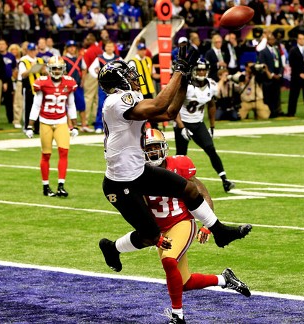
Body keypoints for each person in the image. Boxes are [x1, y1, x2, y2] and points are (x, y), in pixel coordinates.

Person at [97, 51, 251, 273]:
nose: (134, 79)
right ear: (118, 82)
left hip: (138, 172)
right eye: (129, 75)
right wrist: (178, 71)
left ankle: (220, 231)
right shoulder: (115, 101)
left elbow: (168, 113)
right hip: (120, 184)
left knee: (189, 189)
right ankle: (112, 248)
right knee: (151, 236)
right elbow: (159, 105)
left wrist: (184, 80)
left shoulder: (128, 101)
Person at [143, 128, 251, 324]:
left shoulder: (180, 166)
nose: (152, 153)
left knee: (169, 260)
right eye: (148, 148)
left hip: (182, 222)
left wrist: (207, 225)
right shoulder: (138, 172)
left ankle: (178, 316)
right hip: (162, 229)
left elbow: (203, 195)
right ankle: (225, 279)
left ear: (164, 148)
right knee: (184, 282)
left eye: (155, 148)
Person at [174, 59, 236, 193]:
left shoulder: (211, 85)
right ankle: (176, 185)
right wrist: (181, 127)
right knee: (181, 156)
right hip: (184, 122)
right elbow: (174, 107)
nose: (201, 72)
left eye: (203, 69)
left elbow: (211, 105)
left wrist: (212, 126)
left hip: (198, 123)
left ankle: (225, 180)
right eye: (199, 69)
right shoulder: (187, 86)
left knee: (211, 149)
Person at [25, 56, 79, 197]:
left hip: (61, 121)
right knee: (46, 154)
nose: (56, 71)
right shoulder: (42, 83)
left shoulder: (69, 83)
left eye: (59, 68)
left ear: (63, 69)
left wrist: (75, 125)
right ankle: (46, 186)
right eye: (54, 68)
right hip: (45, 122)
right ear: (49, 69)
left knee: (64, 152)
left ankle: (61, 185)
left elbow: (71, 105)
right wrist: (30, 125)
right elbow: (36, 105)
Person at [88, 40, 120, 133]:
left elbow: (124, 69)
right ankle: (99, 125)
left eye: (111, 46)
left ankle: (114, 125)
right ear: (105, 48)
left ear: (114, 48)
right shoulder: (99, 59)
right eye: (108, 46)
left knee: (116, 106)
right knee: (101, 105)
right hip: (103, 87)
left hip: (115, 87)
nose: (109, 48)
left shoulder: (118, 59)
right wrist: (99, 77)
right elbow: (91, 69)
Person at [18, 42, 46, 133]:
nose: (32, 52)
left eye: (34, 50)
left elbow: (45, 73)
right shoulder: (24, 60)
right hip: (29, 87)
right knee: (28, 108)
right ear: (27, 51)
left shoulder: (40, 60)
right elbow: (23, 74)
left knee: (39, 108)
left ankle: (37, 128)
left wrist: (44, 70)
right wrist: (32, 68)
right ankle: (27, 127)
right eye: (31, 50)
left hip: (40, 88)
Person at [63, 40, 89, 131]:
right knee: (68, 105)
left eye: (74, 47)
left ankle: (84, 124)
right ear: (67, 49)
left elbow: (84, 69)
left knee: (82, 104)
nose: (72, 48)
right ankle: (69, 125)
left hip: (78, 85)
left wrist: (83, 80)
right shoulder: (63, 59)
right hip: (68, 86)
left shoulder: (80, 58)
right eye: (70, 47)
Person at [257, 31, 284, 118]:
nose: (273, 41)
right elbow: (263, 64)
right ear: (267, 41)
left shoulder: (277, 50)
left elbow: (280, 63)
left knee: (276, 95)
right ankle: (269, 112)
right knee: (268, 96)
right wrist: (271, 74)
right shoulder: (263, 51)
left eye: (273, 39)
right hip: (267, 78)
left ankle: (276, 111)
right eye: (271, 39)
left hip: (277, 77)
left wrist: (279, 74)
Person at [287, 33, 304, 117]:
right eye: (300, 39)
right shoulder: (293, 50)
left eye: (303, 39)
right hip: (296, 77)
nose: (302, 40)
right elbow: (292, 63)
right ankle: (291, 112)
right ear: (297, 40)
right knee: (294, 95)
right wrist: (299, 73)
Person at [0, 39, 17, 125]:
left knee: (9, 101)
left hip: (8, 80)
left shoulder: (11, 56)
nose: (1, 46)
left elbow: (14, 68)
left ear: (6, 46)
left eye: (3, 44)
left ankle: (11, 118)